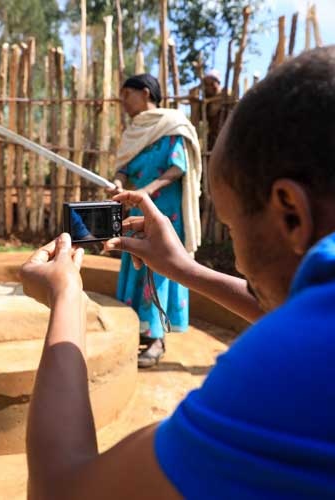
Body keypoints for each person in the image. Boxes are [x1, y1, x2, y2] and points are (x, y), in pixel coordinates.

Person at [20, 45, 335, 499]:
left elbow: (61, 490)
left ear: (291, 213)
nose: (237, 256)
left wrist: (67, 296)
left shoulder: (294, 374)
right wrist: (185, 269)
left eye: (229, 227)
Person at [109, 73, 202, 368]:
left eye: (126, 94)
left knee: (160, 266)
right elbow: (124, 168)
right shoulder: (132, 132)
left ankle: (157, 338)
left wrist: (145, 192)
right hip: (137, 208)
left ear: (145, 92)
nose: (122, 101)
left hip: (164, 212)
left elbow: (178, 167)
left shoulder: (173, 124)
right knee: (137, 262)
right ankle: (139, 330)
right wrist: (117, 183)